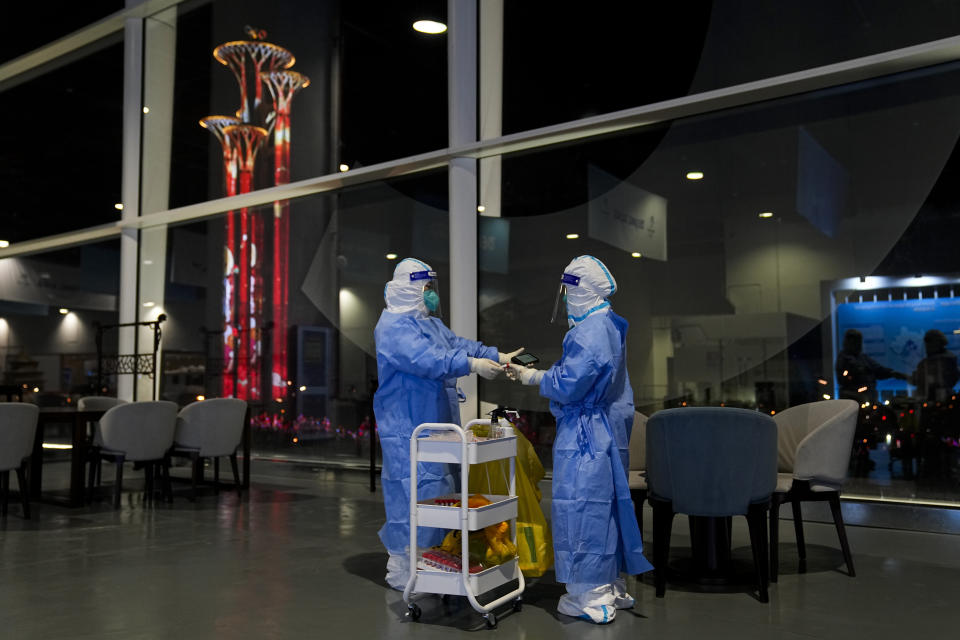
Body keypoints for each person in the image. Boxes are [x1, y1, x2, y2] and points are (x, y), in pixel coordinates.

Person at [507, 255, 652, 624]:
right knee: (605, 509)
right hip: (605, 430)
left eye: (569, 292)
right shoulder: (608, 323)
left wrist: (532, 377)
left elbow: (570, 383)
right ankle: (607, 582)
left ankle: (586, 594)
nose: (566, 300)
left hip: (584, 435)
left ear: (580, 291)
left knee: (581, 507)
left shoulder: (589, 332)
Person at [373, 257, 523, 590]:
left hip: (438, 422)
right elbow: (427, 360)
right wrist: (472, 364)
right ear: (408, 289)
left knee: (440, 493)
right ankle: (402, 565)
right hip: (406, 426)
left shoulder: (427, 323)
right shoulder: (393, 327)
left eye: (430, 288)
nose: (431, 295)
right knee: (410, 492)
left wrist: (497, 356)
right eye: (425, 288)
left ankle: (432, 560)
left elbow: (456, 345)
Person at [835, 328, 907, 403]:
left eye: (859, 342)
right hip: (854, 400)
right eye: (855, 342)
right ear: (848, 342)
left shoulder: (862, 357)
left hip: (869, 398)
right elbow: (843, 380)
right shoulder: (843, 359)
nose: (858, 345)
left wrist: (893, 373)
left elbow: (878, 369)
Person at [910, 329, 960, 402]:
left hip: (943, 401)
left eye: (929, 341)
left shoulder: (946, 360)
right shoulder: (925, 363)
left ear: (938, 342)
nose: (927, 345)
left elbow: (945, 381)